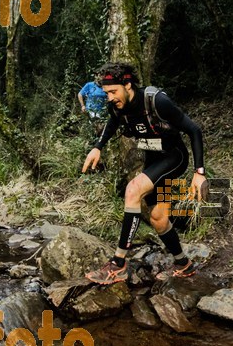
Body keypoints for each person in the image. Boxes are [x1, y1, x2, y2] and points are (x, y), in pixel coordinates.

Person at [81, 62, 206, 284]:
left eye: (113, 92)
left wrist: (199, 172)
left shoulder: (157, 101)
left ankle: (118, 264)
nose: (109, 97)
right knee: (159, 219)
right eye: (106, 93)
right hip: (153, 161)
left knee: (133, 190)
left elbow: (194, 130)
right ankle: (183, 264)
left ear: (128, 85)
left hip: (173, 158)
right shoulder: (117, 105)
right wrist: (97, 147)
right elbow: (112, 123)